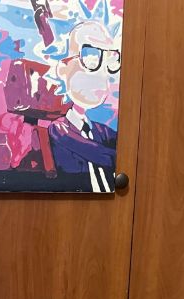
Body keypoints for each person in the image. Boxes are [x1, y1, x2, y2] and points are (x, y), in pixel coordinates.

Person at [47, 20, 120, 193]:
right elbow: (104, 156)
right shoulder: (59, 129)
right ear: (63, 69)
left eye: (110, 61)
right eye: (91, 58)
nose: (102, 74)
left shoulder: (102, 131)